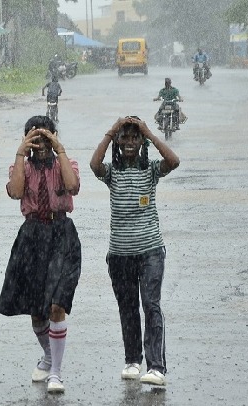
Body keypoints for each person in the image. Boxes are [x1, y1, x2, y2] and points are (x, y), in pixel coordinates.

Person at [89, 116, 180, 388]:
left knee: (151, 305)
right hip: (119, 254)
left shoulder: (150, 169)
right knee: (127, 307)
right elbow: (94, 165)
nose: (129, 142)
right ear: (118, 142)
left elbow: (174, 161)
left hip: (150, 251)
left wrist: (149, 133)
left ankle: (156, 367)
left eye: (134, 138)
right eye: (125, 138)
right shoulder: (112, 173)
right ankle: (132, 361)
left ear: (141, 142)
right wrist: (111, 130)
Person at [0, 116, 81, 394]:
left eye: (46, 139)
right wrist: (21, 152)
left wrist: (60, 149)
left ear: (54, 138)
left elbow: (72, 186)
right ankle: (48, 354)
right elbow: (15, 192)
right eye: (35, 139)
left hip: (62, 233)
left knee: (57, 304)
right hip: (32, 236)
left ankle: (56, 372)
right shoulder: (21, 166)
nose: (41, 145)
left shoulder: (66, 163)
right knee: (37, 310)